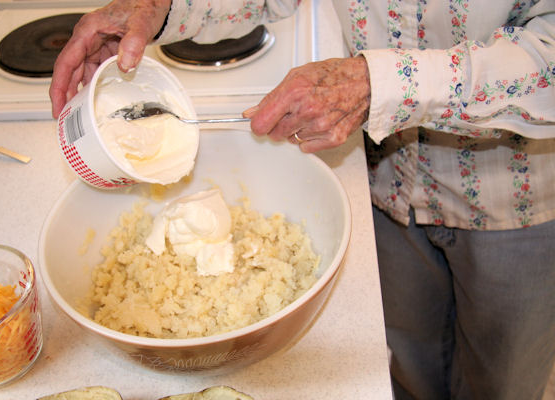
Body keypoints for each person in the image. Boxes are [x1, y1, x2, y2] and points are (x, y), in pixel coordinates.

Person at [49, 1, 555, 399]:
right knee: (407, 369)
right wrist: (166, 6)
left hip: (517, 197)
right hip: (386, 179)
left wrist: (375, 83)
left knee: (501, 382)